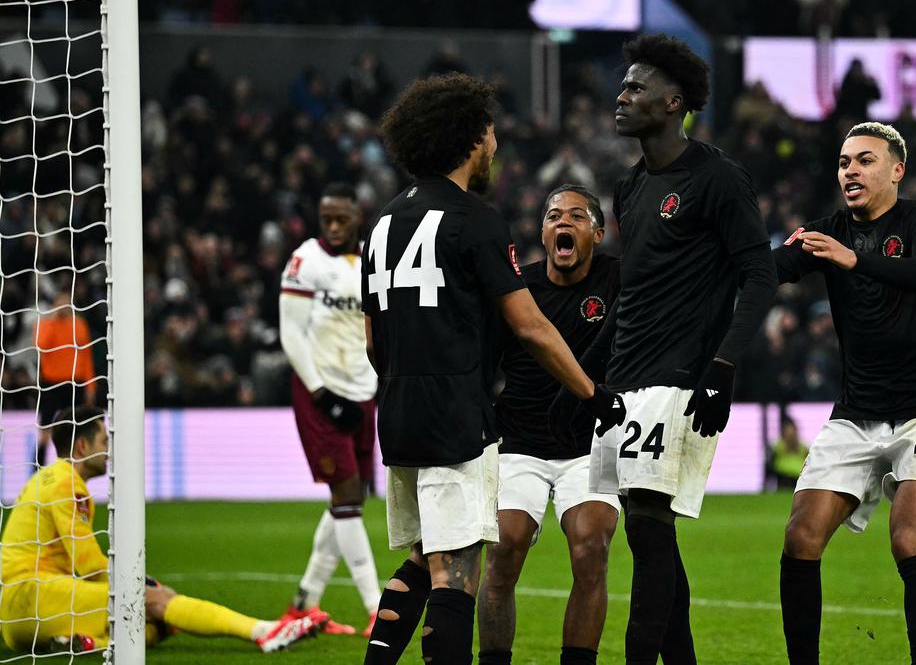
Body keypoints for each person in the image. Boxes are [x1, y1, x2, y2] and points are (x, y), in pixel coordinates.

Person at [360, 73, 624, 665]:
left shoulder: (380, 224)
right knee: (456, 572)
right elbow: (530, 327)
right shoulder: (474, 219)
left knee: (422, 556)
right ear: (472, 138)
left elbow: (374, 340)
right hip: (456, 417)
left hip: (398, 413)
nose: (498, 145)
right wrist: (592, 392)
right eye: (493, 132)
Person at [553, 33, 777, 665]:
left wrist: (723, 368)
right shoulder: (628, 188)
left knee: (650, 536)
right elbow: (634, 294)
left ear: (673, 102)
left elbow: (757, 276)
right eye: (621, 87)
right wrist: (588, 382)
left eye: (635, 88)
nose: (619, 98)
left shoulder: (718, 178)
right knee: (651, 542)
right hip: (625, 384)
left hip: (678, 380)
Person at [774, 122, 916, 665]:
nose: (850, 171)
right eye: (843, 163)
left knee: (909, 536)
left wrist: (852, 259)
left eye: (864, 160)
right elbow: (773, 269)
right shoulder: (828, 231)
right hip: (856, 413)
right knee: (801, 537)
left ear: (896, 170)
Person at [0, 405, 324, 654]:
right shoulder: (68, 485)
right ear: (82, 447)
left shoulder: (46, 478)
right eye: (104, 440)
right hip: (33, 597)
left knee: (154, 626)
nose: (109, 450)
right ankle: (263, 631)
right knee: (155, 600)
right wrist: (141, 583)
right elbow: (87, 565)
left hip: (23, 614)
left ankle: (83, 642)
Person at [477, 184, 623, 665]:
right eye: (554, 215)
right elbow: (484, 364)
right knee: (503, 551)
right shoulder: (518, 292)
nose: (564, 222)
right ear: (542, 232)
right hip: (519, 443)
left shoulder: (619, 280)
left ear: (597, 233)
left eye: (578, 217)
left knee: (591, 548)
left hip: (591, 444)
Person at [278, 182, 381, 636]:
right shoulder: (305, 260)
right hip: (321, 395)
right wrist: (321, 393)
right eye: (327, 220)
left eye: (342, 219)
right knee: (347, 500)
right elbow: (291, 332)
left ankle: (305, 603)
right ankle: (377, 606)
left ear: (357, 216)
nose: (334, 227)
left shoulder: (372, 260)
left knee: (349, 498)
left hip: (362, 391)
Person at [33, 290, 96, 468]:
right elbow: (40, 345)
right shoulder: (44, 324)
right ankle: (37, 472)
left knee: (74, 430)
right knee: (45, 432)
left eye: (66, 303)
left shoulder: (80, 325)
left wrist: (90, 386)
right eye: (60, 303)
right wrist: (54, 319)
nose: (63, 307)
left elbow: (86, 357)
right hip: (51, 384)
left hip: (74, 384)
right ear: (54, 305)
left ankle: (73, 470)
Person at [768, 418, 809, 490]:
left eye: (792, 431)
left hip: (799, 478)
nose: (791, 434)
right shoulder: (778, 446)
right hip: (784, 478)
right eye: (788, 431)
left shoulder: (803, 448)